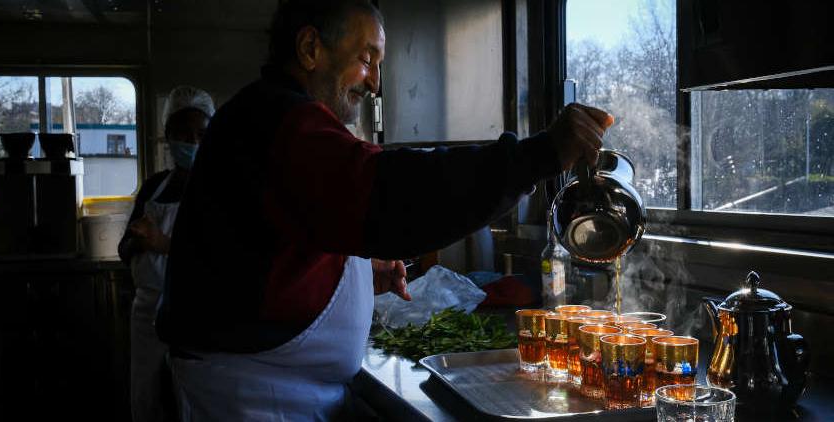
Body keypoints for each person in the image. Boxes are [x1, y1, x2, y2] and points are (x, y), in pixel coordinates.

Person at [157, 1, 613, 420]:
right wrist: (539, 156)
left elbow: (284, 240)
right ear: (310, 47)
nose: (375, 81)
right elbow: (391, 192)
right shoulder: (281, 122)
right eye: (366, 59)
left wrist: (346, 273)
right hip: (255, 397)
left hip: (276, 385)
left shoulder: (269, 118)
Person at [118, 86, 215, 422]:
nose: (191, 142)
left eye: (201, 134)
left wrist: (162, 244)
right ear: (168, 136)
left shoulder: (217, 191)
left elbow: (221, 257)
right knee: (149, 401)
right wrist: (137, 241)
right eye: (182, 134)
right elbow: (123, 250)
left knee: (191, 403)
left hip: (198, 313)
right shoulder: (153, 186)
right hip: (147, 315)